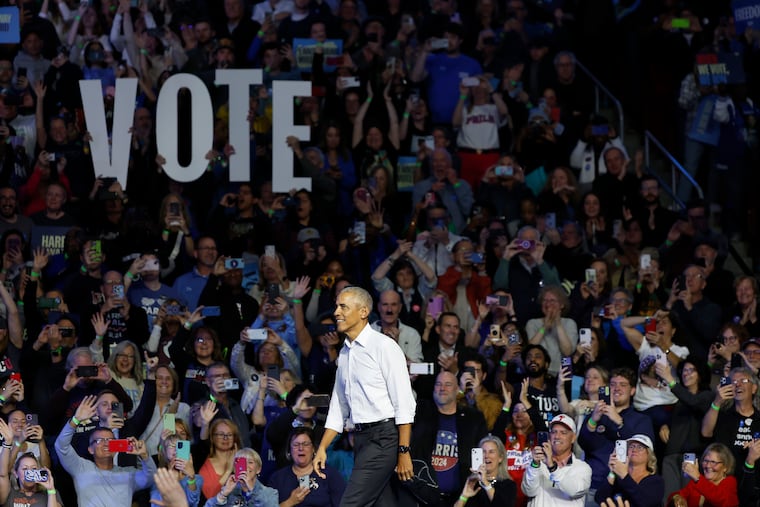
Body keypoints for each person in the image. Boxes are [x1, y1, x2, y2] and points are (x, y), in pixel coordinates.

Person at [314, 286, 416, 506]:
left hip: (384, 439)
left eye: (343, 306)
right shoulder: (345, 352)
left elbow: (405, 403)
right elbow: (338, 407)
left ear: (363, 312)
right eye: (336, 306)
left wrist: (404, 451)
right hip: (361, 440)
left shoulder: (384, 347)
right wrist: (322, 447)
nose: (336, 312)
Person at [54, 395, 157, 505]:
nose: (105, 443)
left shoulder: (127, 474)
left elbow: (151, 477)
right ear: (90, 449)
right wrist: (76, 420)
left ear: (115, 448)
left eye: (109, 440)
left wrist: (145, 456)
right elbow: (61, 446)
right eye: (99, 440)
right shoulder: (80, 468)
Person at [521, 414, 592, 506]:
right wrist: (534, 465)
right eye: (554, 432)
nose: (557, 436)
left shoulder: (582, 468)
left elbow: (574, 491)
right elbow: (529, 491)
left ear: (573, 438)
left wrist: (552, 467)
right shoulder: (537, 464)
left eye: (563, 433)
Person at [268, 427, 346, 507]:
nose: (301, 448)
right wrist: (290, 502)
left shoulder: (330, 475)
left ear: (313, 449)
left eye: (306, 444)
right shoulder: (277, 478)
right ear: (289, 450)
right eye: (296, 445)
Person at [594, 434, 664, 507]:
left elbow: (645, 502)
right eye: (631, 446)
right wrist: (612, 473)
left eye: (640, 447)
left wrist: (624, 475)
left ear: (648, 455)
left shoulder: (656, 481)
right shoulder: (618, 479)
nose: (634, 450)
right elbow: (599, 498)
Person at [667, 443, 739, 507]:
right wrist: (676, 498)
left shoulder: (730, 482)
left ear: (725, 467)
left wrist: (698, 478)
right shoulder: (696, 481)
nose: (708, 466)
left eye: (713, 462)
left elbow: (720, 500)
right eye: (706, 461)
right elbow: (677, 495)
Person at [454, 435, 517, 507]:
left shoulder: (508, 485)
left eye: (491, 452)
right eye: (483, 452)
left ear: (500, 458)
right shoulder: (472, 483)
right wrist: (464, 496)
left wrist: (486, 484)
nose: (486, 456)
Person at [204, 448, 278, 507]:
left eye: (250, 462)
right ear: (235, 468)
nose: (246, 466)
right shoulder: (230, 492)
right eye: (241, 463)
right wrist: (223, 494)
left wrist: (252, 490)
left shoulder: (270, 493)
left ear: (258, 469)